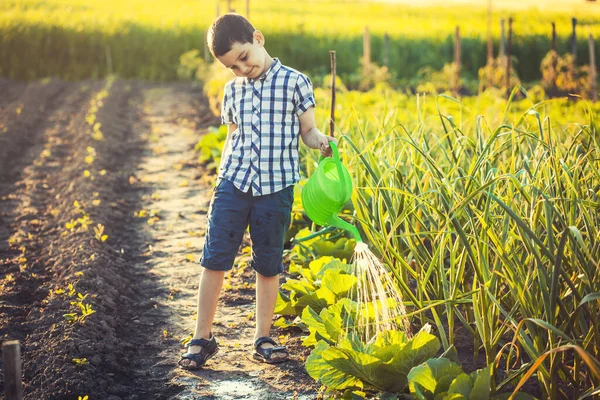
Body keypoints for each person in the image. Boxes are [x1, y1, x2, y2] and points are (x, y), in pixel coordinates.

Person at [178, 13, 337, 370]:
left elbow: (308, 132)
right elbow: (233, 136)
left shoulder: (295, 82)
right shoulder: (232, 90)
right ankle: (201, 337)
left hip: (275, 187)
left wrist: (322, 142)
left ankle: (262, 336)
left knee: (268, 263)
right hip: (232, 183)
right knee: (214, 257)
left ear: (258, 39)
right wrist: (222, 177)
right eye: (231, 67)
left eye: (244, 59)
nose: (241, 70)